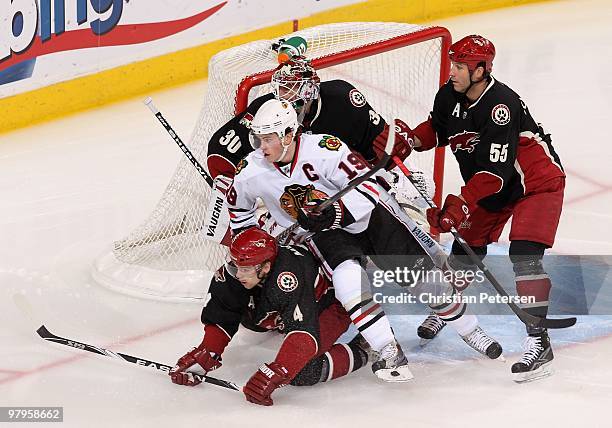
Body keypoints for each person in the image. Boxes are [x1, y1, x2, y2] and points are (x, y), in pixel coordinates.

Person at [226, 99, 503, 382]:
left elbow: (370, 188)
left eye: (269, 138)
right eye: (258, 138)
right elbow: (239, 216)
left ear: (288, 135)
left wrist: (333, 212)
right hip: (321, 235)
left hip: (368, 218)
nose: (262, 146)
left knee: (426, 281)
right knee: (348, 283)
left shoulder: (324, 149)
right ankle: (387, 350)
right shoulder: (250, 171)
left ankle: (471, 330)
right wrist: (261, 241)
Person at [405, 35, 565, 383]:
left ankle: (539, 342)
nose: (453, 72)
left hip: (534, 184)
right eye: (453, 64)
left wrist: (460, 204)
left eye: (461, 66)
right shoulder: (449, 94)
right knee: (467, 247)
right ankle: (448, 308)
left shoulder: (500, 106)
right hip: (492, 186)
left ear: (481, 70)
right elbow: (437, 128)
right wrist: (411, 140)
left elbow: (495, 173)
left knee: (524, 254)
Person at [169, 228, 372, 406]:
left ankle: (364, 348)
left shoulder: (288, 278)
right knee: (252, 320)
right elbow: (222, 312)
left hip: (327, 306)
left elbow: (303, 334)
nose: (238, 274)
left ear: (265, 267)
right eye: (235, 266)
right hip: (283, 303)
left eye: (245, 269)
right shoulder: (236, 270)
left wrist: (279, 371)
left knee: (302, 371)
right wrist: (207, 353)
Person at [206, 55, 425, 200]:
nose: (283, 97)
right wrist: (226, 181)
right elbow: (221, 148)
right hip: (293, 196)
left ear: (309, 91)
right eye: (281, 89)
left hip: (341, 185)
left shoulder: (342, 99)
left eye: (291, 89)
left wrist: (387, 167)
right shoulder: (267, 109)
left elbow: (378, 144)